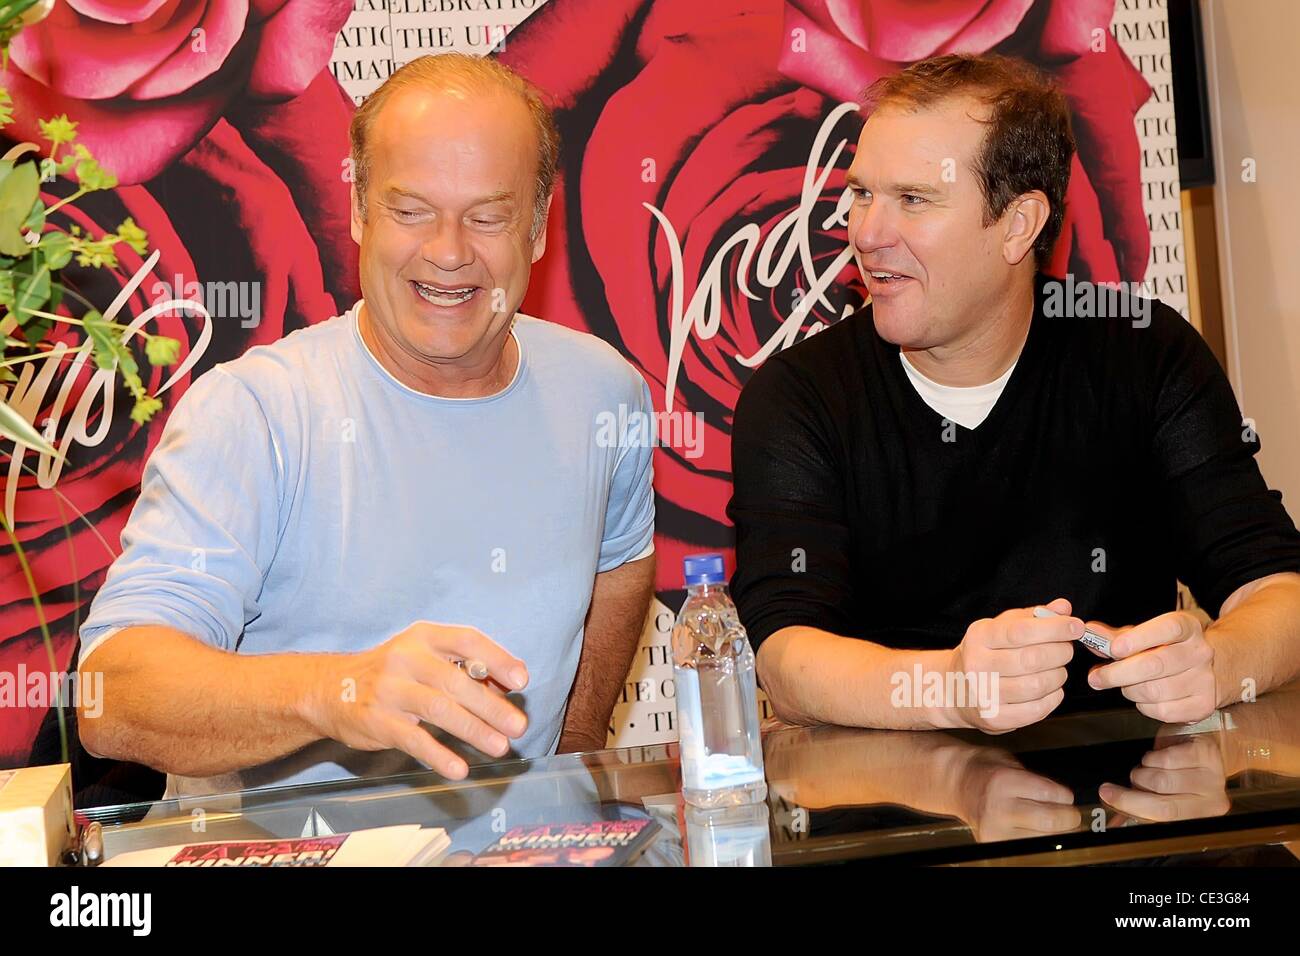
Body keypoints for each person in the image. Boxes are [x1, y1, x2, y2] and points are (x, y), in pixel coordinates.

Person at [76, 54, 656, 797]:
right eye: (411, 210)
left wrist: (575, 748)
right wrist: (341, 693)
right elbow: (112, 697)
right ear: (359, 213)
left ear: (538, 227)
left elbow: (622, 558)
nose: (448, 252)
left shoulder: (604, 392)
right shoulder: (254, 413)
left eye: (488, 216)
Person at [729, 54, 1300, 734]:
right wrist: (952, 690)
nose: (866, 233)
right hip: (895, 821)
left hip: (1134, 811)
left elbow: (1278, 588)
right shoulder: (801, 398)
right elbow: (789, 660)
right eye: (861, 194)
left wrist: (1215, 661)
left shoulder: (1144, 354)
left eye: (912, 199)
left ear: (1019, 225)